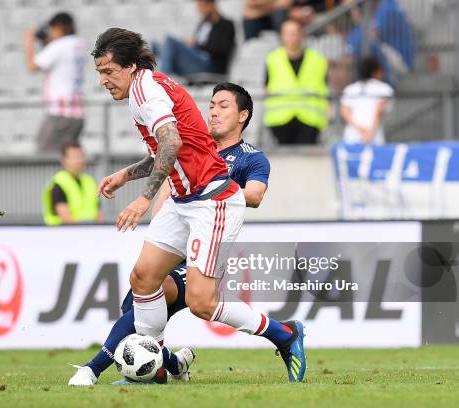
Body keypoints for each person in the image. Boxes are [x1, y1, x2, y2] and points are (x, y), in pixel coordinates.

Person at [93, 26, 306, 382]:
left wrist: (144, 198)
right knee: (144, 278)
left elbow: (171, 143)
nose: (103, 80)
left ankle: (285, 334)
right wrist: (126, 176)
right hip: (183, 199)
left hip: (212, 201)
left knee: (201, 302)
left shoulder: (146, 91)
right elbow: (166, 151)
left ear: (130, 67)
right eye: (99, 72)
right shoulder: (144, 87)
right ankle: (154, 370)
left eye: (109, 71)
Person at [24, 12, 86, 153]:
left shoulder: (60, 45)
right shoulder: (78, 44)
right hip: (77, 113)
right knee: (66, 156)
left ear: (59, 27)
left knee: (44, 157)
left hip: (60, 113)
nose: (50, 33)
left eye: (52, 29)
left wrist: (28, 43)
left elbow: (33, 65)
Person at [264, 19, 329, 144]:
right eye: (288, 33)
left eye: (294, 33)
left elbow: (325, 86)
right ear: (282, 36)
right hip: (280, 119)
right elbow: (267, 87)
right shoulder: (272, 59)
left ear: (301, 35)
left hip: (311, 119)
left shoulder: (318, 59)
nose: (292, 37)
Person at [156, 0, 235, 77]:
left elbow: (222, 49)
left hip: (209, 66)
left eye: (201, 5)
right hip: (196, 60)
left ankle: (162, 82)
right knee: (156, 46)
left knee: (169, 41)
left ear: (211, 4)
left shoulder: (226, 24)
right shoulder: (203, 24)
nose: (199, 9)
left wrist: (195, 43)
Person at [346, 0, 415, 83]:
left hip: (401, 58)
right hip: (396, 54)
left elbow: (372, 32)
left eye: (354, 12)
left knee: (369, 44)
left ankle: (387, 80)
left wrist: (360, 20)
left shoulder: (388, 6)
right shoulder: (387, 5)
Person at [42, 140, 102, 225]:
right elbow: (66, 218)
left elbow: (99, 214)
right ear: (64, 160)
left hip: (90, 234)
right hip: (64, 235)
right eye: (75, 157)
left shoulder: (90, 182)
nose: (80, 160)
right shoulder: (58, 183)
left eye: (81, 156)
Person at [340, 57, 393, 145]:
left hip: (351, 137)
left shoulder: (350, 89)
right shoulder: (384, 89)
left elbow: (345, 113)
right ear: (377, 71)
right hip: (374, 137)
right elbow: (378, 111)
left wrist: (360, 129)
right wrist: (369, 132)